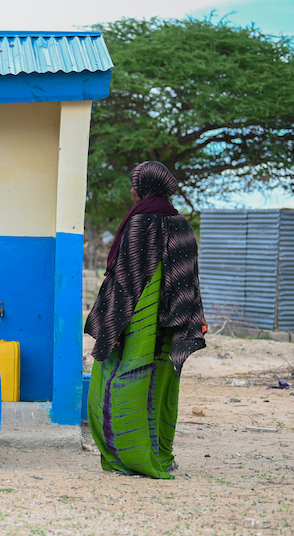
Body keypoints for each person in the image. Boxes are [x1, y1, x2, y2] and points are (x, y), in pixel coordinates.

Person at [84, 161, 206, 479]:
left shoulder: (139, 224)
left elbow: (124, 281)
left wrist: (111, 325)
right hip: (171, 330)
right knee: (160, 389)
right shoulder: (183, 226)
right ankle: (158, 454)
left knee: (115, 386)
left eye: (134, 184)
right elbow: (189, 283)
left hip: (134, 328)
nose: (131, 190)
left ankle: (126, 457)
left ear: (144, 188)